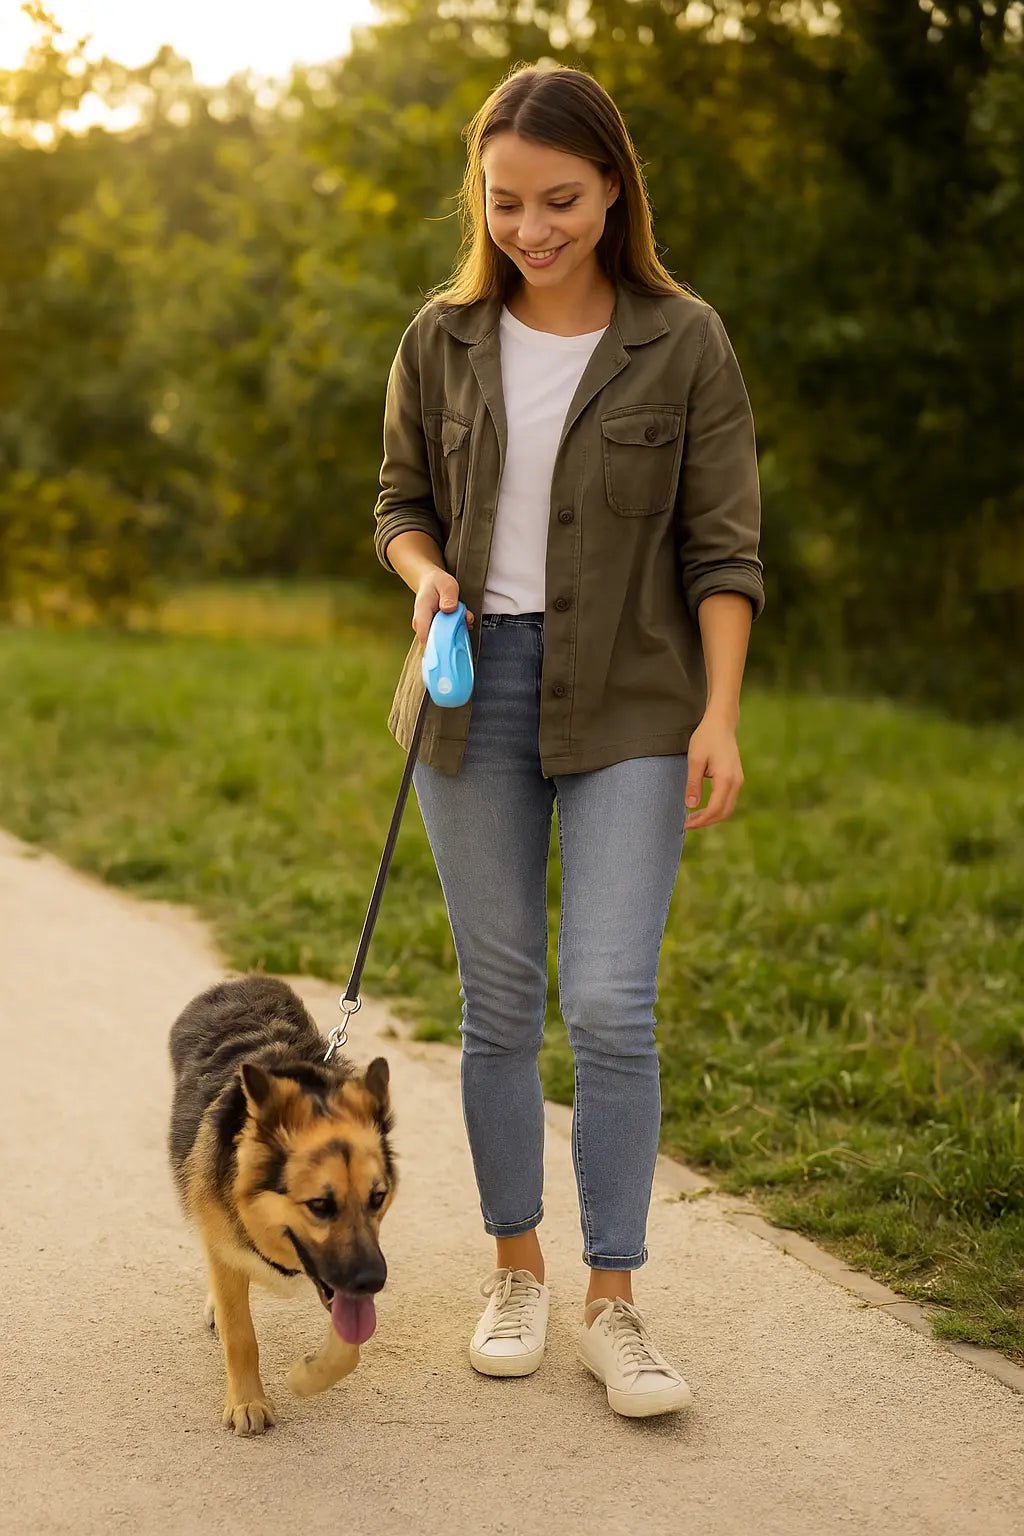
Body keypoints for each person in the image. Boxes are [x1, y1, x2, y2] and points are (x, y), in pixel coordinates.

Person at [372, 63, 764, 1419]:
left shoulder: (685, 339)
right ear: (479, 201)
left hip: (638, 698)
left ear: (613, 190)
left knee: (608, 1002)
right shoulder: (440, 337)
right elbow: (397, 503)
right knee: (496, 1003)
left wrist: (719, 711)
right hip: (473, 689)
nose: (533, 229)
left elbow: (725, 549)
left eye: (562, 201)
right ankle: (516, 1272)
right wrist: (422, 572)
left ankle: (615, 1303)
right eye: (506, 204)